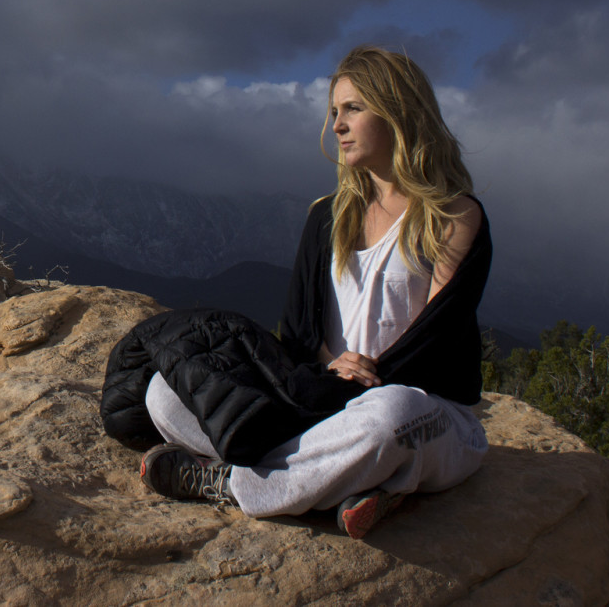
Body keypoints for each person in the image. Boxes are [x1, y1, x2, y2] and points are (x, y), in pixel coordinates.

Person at [137, 45, 492, 538]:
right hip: (325, 401)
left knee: (390, 419)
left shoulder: (453, 216)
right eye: (334, 112)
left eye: (353, 108)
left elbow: (439, 337)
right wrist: (329, 368)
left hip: (423, 409)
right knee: (166, 390)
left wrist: (368, 379)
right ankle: (347, 481)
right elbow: (300, 330)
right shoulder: (327, 215)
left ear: (398, 111)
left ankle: (233, 483)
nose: (338, 125)